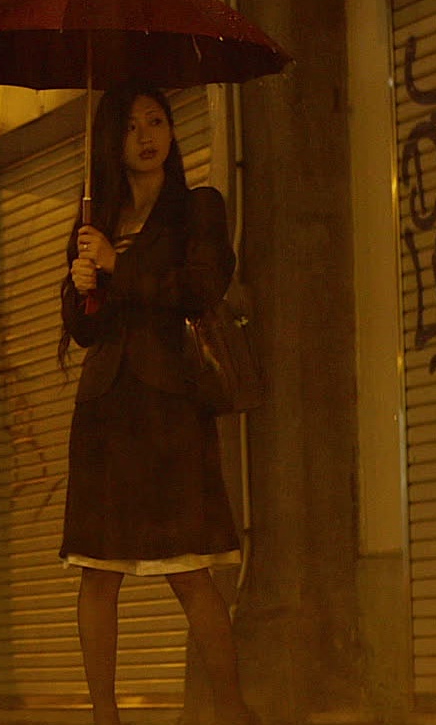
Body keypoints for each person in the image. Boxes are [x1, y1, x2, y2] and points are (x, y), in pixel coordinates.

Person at [60, 88, 258, 725]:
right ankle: (104, 716)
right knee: (97, 572)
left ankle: (231, 711)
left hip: (169, 410)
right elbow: (85, 331)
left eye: (156, 121)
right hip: (105, 410)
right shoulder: (94, 219)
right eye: (130, 126)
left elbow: (202, 287)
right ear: (110, 141)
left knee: (190, 571)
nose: (146, 136)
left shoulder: (198, 207)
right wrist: (81, 287)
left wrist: (118, 268)